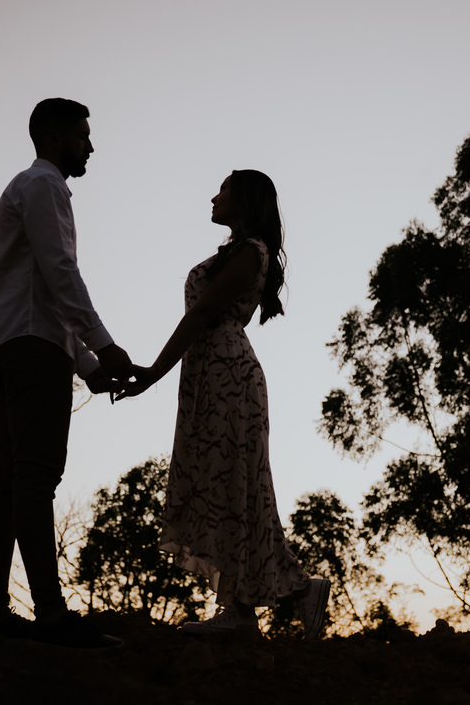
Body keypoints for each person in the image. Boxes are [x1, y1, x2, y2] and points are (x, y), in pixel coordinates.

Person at [117, 169, 330, 638]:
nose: (213, 197)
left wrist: (152, 373)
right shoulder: (239, 252)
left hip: (229, 375)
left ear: (245, 199)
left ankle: (248, 608)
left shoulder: (251, 252)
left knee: (236, 485)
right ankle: (269, 601)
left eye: (224, 189)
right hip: (212, 375)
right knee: (230, 486)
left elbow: (202, 314)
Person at [0, 98, 129, 649]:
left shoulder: (33, 187)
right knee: (35, 475)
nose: (91, 146)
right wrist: (104, 347)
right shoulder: (42, 186)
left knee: (10, 478)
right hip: (30, 345)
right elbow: (59, 272)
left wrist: (85, 364)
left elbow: (43, 283)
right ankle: (52, 617)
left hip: (16, 341)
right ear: (56, 135)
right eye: (83, 135)